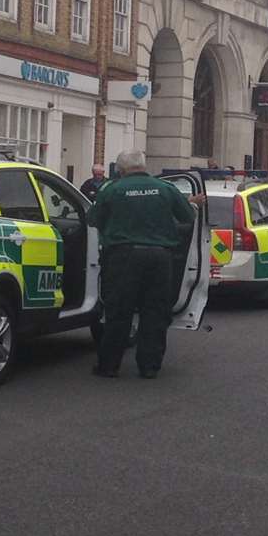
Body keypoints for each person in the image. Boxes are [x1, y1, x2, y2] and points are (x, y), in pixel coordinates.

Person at [87, 149, 201, 379]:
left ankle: (109, 366)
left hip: (122, 258)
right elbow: (188, 216)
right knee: (155, 313)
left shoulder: (111, 189)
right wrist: (192, 203)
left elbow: (93, 219)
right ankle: (149, 366)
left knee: (118, 312)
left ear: (120, 169)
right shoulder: (165, 189)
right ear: (143, 165)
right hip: (160, 259)